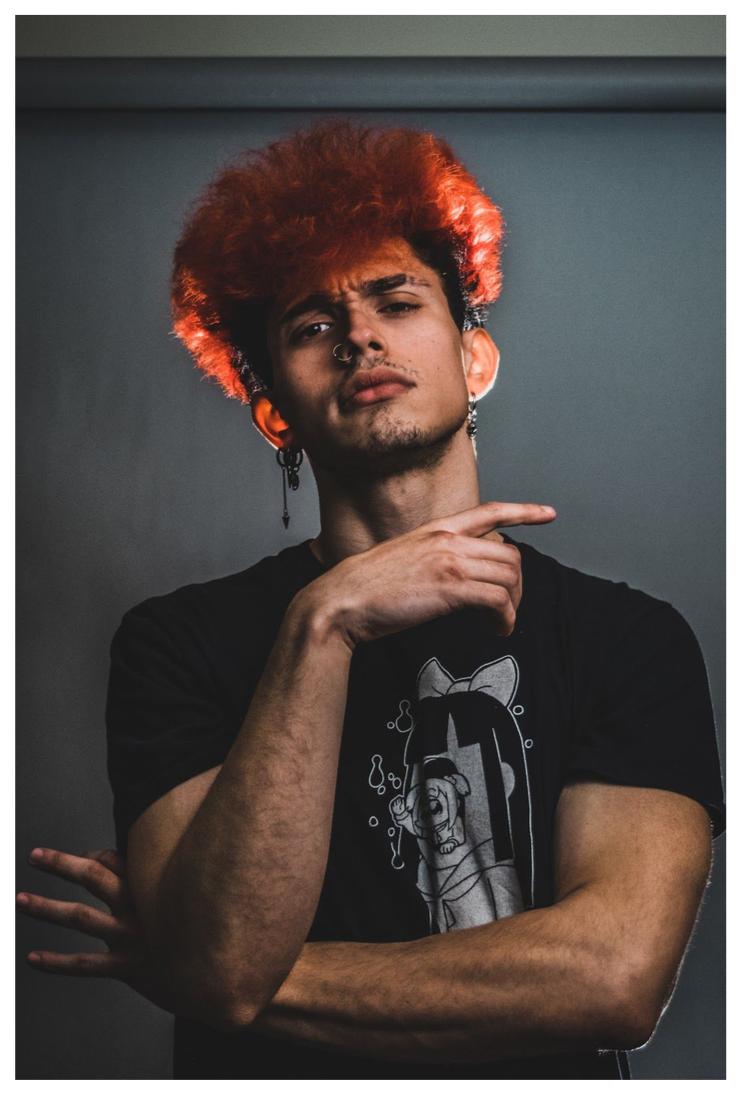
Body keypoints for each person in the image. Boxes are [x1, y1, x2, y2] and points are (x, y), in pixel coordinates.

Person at [18, 119, 725, 1080]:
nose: (359, 336)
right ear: (274, 412)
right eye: (313, 326)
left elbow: (612, 981)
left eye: (397, 301)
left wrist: (219, 974)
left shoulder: (629, 640)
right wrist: (328, 619)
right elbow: (223, 968)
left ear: (475, 360)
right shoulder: (174, 644)